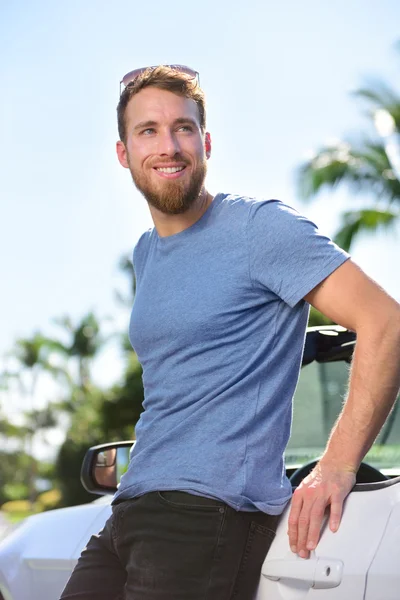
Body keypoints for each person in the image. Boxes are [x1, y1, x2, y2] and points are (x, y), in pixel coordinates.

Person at [60, 65, 400, 600]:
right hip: (130, 509)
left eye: (183, 128)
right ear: (123, 152)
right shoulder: (146, 253)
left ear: (206, 141)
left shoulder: (259, 228)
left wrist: (336, 466)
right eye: (147, 130)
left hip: (206, 516)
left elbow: (385, 321)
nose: (168, 145)